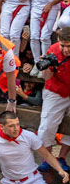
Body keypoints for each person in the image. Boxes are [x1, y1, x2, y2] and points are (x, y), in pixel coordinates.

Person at [35, 28, 70, 170]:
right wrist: (46, 66)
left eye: (69, 46)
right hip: (55, 90)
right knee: (46, 126)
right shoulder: (53, 50)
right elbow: (47, 77)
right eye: (63, 45)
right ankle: (47, 159)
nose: (66, 50)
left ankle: (61, 157)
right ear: (58, 41)